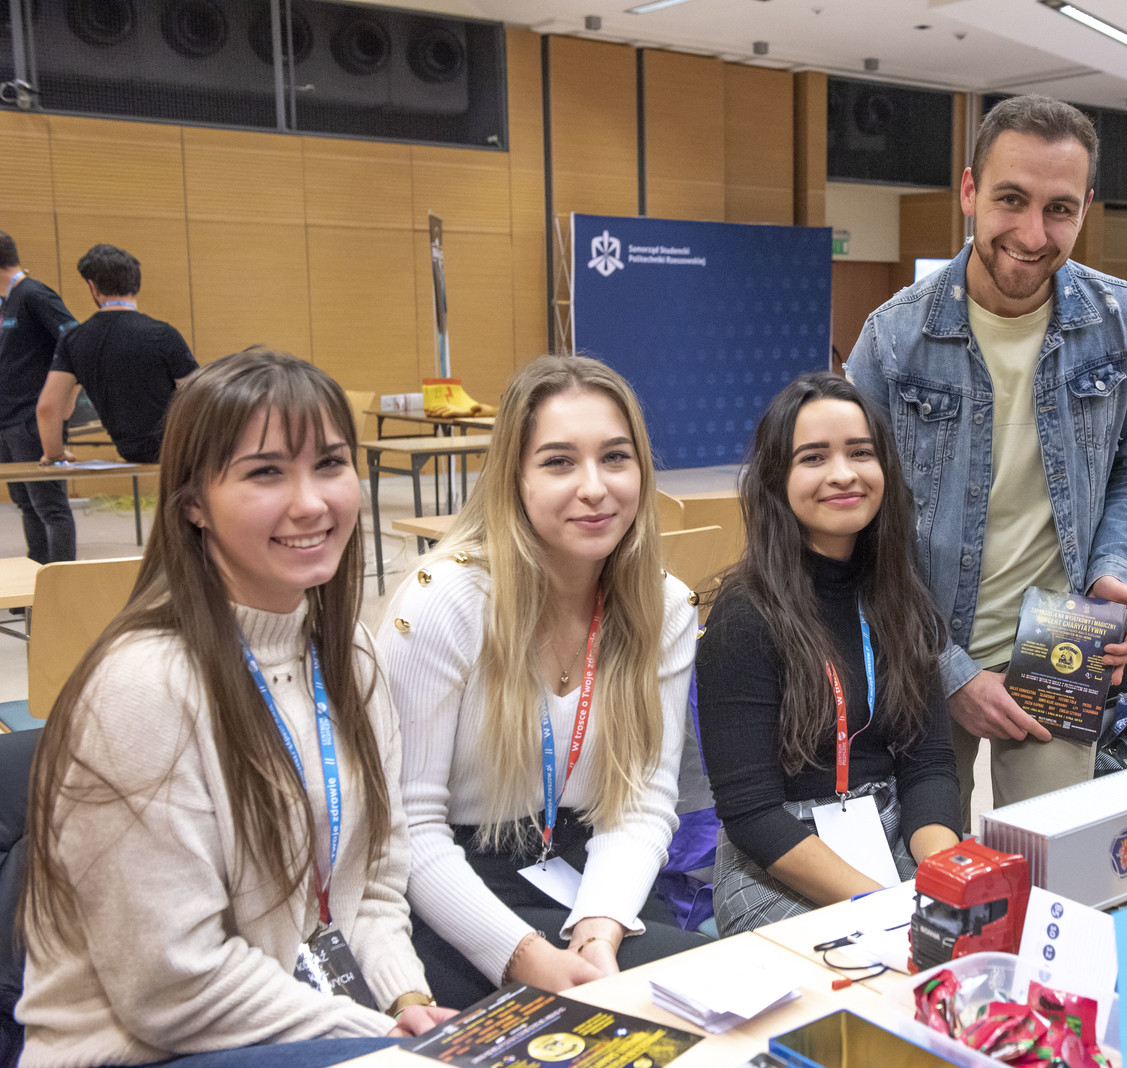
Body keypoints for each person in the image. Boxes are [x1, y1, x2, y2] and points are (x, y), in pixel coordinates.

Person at [18, 349, 452, 1068]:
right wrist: (370, 1035)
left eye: (330, 464)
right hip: (150, 1049)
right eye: (265, 473)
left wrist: (405, 1002)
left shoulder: (348, 652)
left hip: (297, 1024)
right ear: (193, 502)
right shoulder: (144, 686)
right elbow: (172, 984)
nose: (310, 503)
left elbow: (374, 881)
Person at [846, 94, 1127, 821]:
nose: (1031, 233)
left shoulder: (1122, 321)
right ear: (969, 191)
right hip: (924, 644)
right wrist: (949, 670)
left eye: (1059, 209)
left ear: (1086, 209)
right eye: (1011, 200)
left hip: (1062, 641)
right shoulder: (895, 337)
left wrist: (1113, 570)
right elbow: (855, 525)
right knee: (930, 865)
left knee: (1053, 858)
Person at [378, 355, 705, 1009]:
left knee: (701, 1001)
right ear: (514, 479)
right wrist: (528, 957)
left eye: (615, 458)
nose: (595, 488)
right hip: (454, 887)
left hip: (593, 875)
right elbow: (409, 827)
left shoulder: (664, 605)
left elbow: (641, 803)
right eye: (559, 462)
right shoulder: (444, 600)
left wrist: (599, 929)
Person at [695, 373, 961, 935]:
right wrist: (887, 907)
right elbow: (752, 814)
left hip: (887, 826)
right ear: (777, 478)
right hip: (779, 858)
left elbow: (929, 765)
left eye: (860, 453)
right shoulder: (744, 614)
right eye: (813, 457)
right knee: (885, 960)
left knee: (970, 934)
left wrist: (943, 882)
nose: (843, 474)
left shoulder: (900, 595)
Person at [36, 243, 198, 465]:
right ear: (136, 285)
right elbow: (198, 394)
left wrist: (54, 454)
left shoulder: (74, 340)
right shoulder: (163, 334)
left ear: (92, 286)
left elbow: (49, 408)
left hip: (130, 452)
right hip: (177, 451)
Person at [0, 231, 78, 564]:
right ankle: (38, 576)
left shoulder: (33, 294)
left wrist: (67, 398)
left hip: (33, 420)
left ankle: (63, 585)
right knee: (26, 504)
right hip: (8, 421)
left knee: (50, 507)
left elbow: (74, 339)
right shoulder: (7, 301)